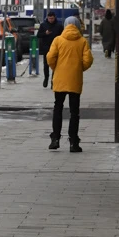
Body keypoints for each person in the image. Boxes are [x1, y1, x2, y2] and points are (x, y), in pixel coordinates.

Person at [46, 15, 94, 152]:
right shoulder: (82, 41)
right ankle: (73, 142)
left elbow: (50, 57)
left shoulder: (58, 40)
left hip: (60, 79)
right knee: (74, 112)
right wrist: (79, 69)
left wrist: (56, 68)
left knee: (58, 108)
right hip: (75, 79)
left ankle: (55, 138)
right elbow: (88, 60)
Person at [36, 11, 64, 88]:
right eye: (49, 18)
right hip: (46, 47)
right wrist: (45, 33)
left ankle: (53, 80)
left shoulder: (59, 26)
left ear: (54, 18)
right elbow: (38, 35)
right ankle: (46, 78)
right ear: (47, 18)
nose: (51, 20)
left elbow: (63, 36)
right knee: (46, 64)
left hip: (56, 48)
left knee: (55, 65)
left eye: (52, 18)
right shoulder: (43, 25)